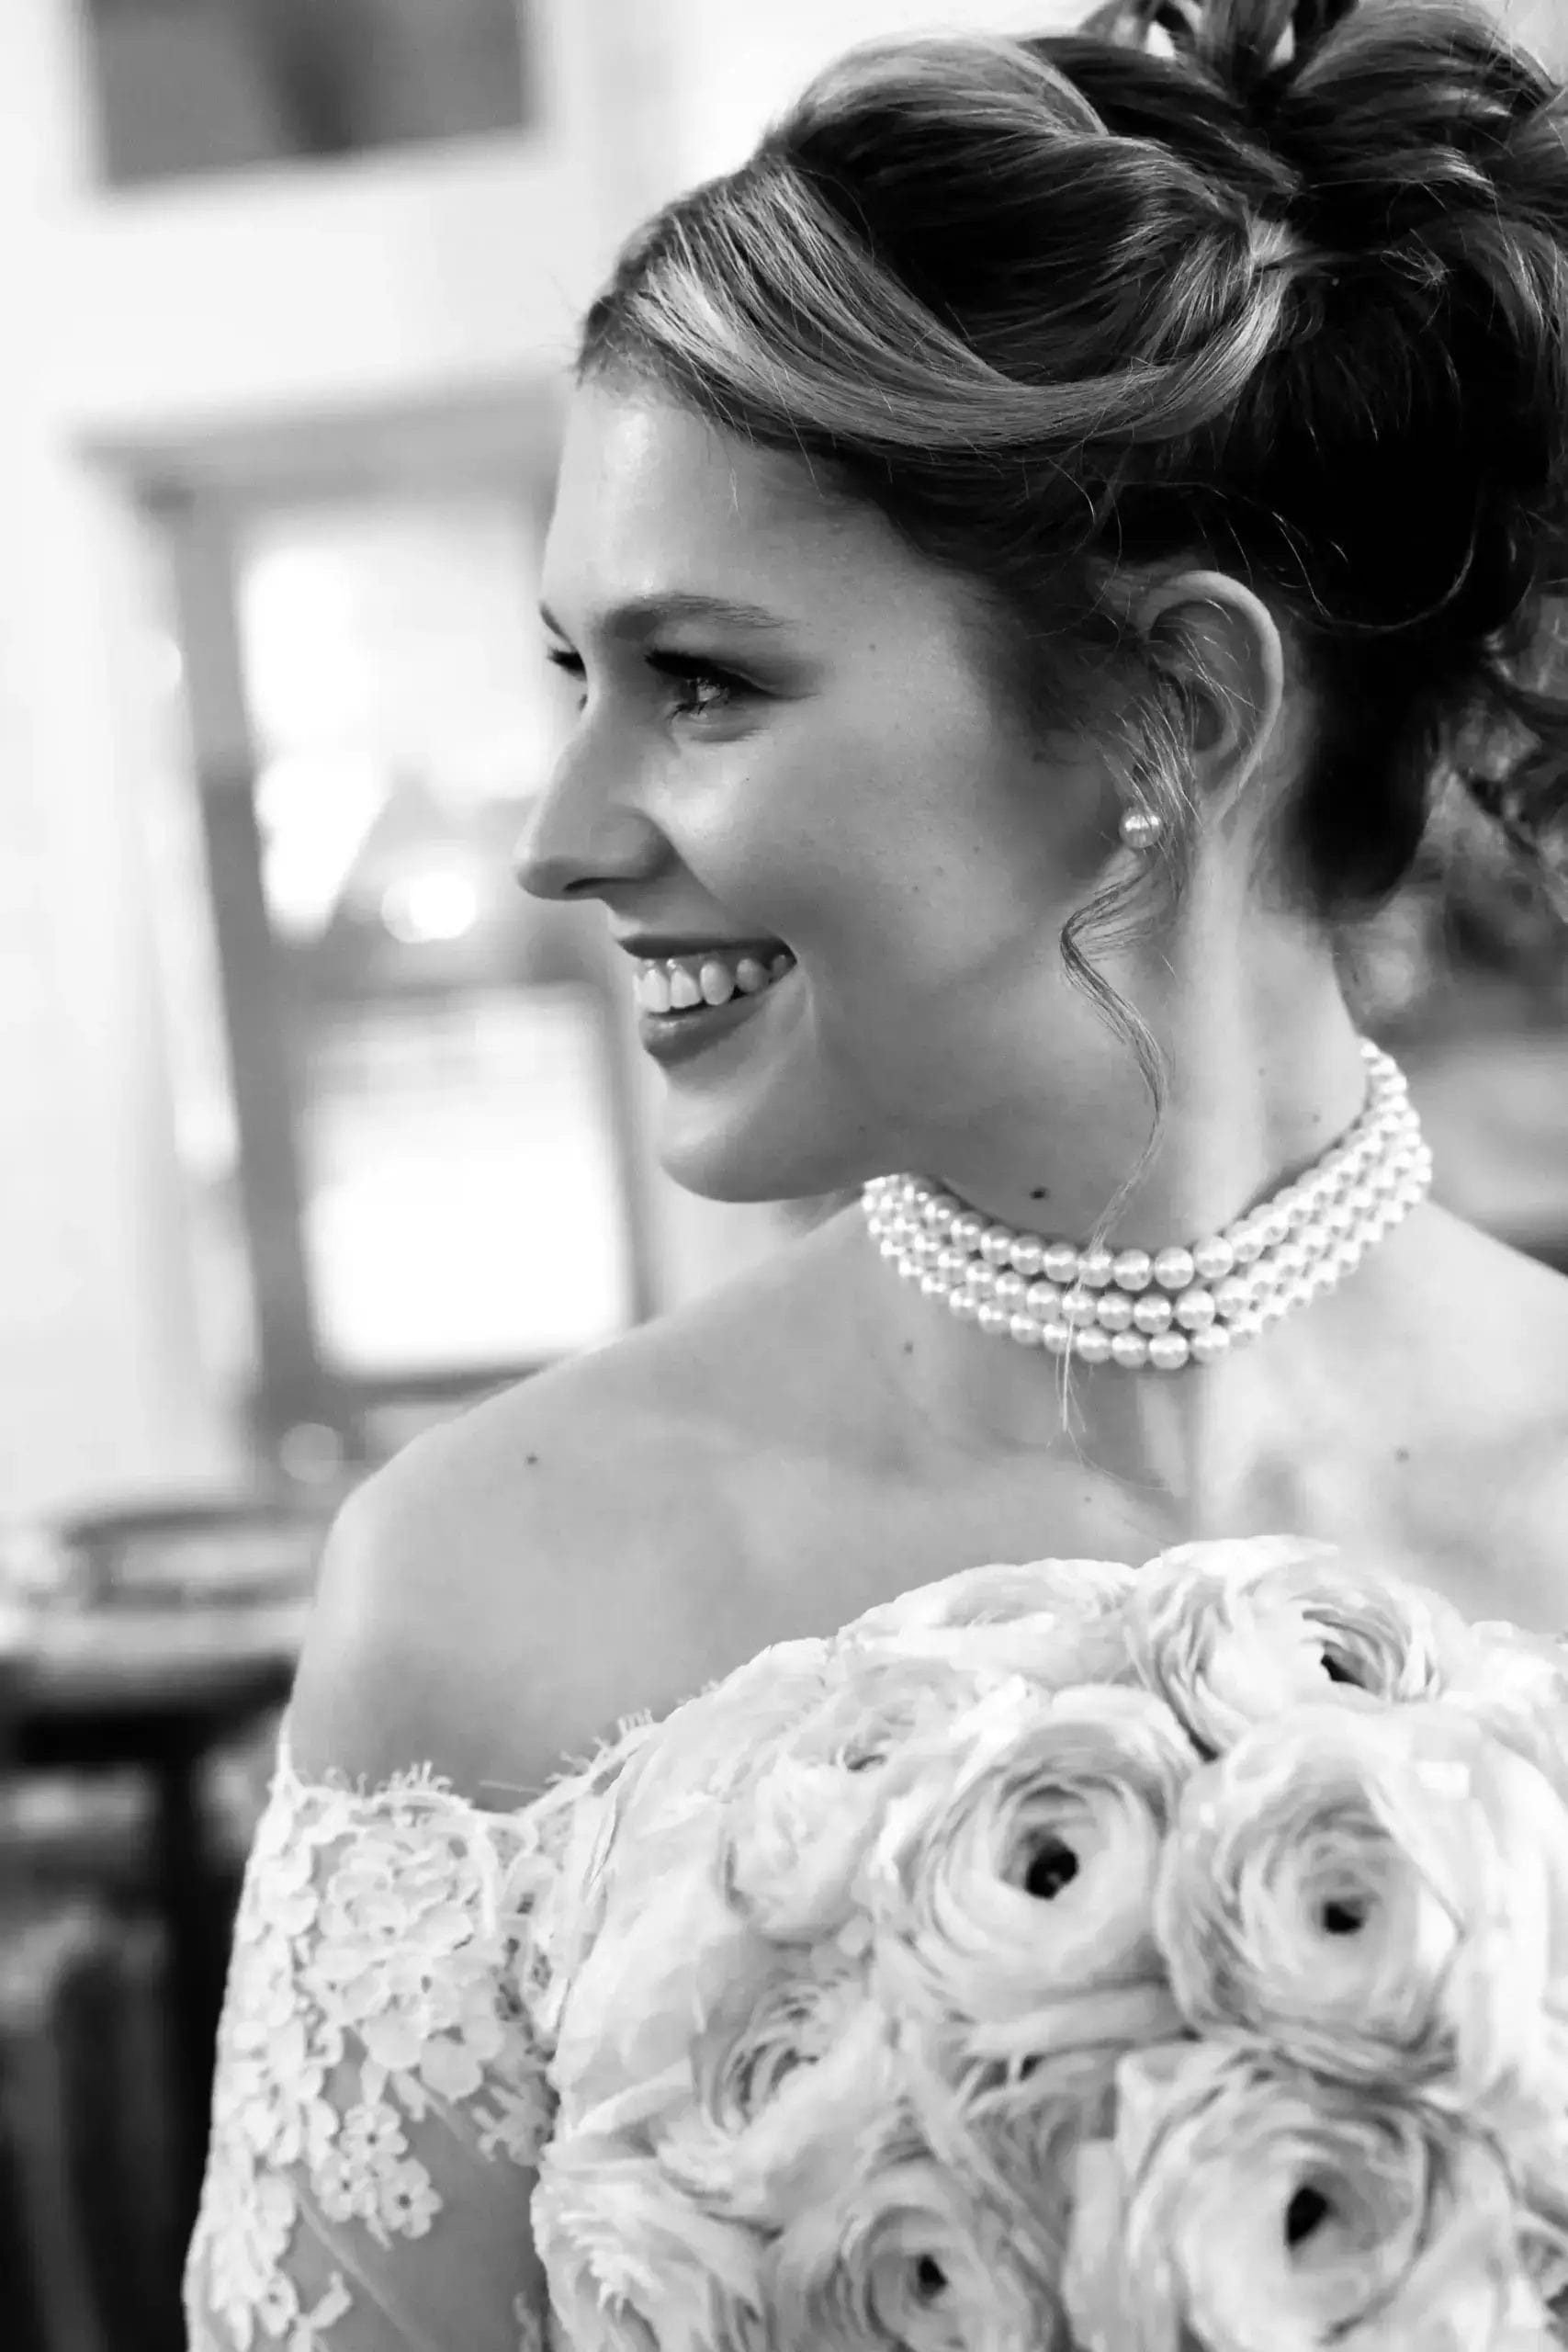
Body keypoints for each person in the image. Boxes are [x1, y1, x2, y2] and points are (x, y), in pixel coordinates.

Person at [184, 0, 1568, 2344]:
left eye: (701, 681)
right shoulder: (473, 1590)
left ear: (1175, 710)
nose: (559, 831)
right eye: (570, 674)